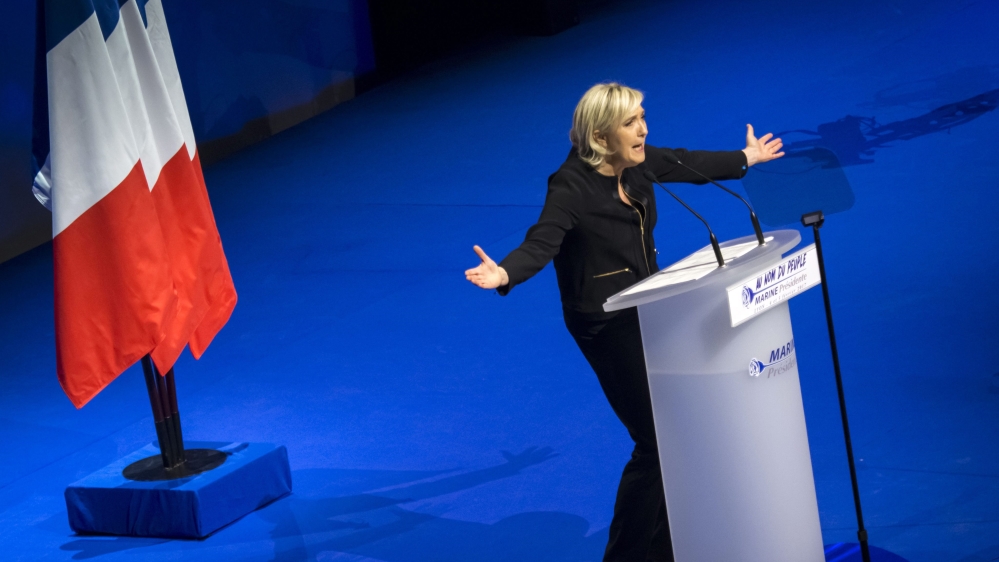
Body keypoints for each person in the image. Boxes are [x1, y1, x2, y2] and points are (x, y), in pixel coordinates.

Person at [464, 83, 784, 562]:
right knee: (656, 440)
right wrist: (505, 272)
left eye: (642, 116)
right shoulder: (569, 184)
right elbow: (542, 241)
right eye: (631, 122)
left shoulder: (637, 164)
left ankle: (666, 549)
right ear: (600, 134)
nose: (644, 129)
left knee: (678, 430)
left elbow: (682, 162)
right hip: (603, 320)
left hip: (653, 304)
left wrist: (745, 158)